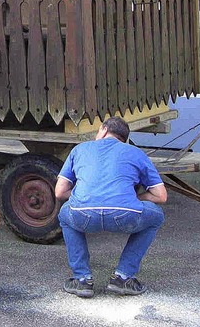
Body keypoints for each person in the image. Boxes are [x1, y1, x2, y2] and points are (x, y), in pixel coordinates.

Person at [55, 116, 167, 298]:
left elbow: (59, 192)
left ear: (104, 129)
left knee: (65, 214)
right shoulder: (136, 152)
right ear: (124, 138)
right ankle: (123, 277)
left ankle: (82, 279)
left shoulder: (79, 149)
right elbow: (160, 196)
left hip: (83, 216)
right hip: (125, 215)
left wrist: (83, 198)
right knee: (156, 215)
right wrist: (135, 199)